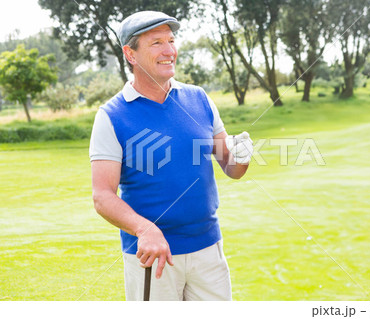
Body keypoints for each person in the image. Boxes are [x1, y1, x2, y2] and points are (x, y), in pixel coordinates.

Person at [89, 11, 253, 301]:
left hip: (208, 250)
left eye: (171, 40)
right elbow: (102, 195)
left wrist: (241, 157)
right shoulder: (111, 115)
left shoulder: (199, 98)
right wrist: (144, 229)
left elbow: (231, 167)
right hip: (154, 256)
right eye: (156, 43)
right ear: (131, 54)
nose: (169, 51)